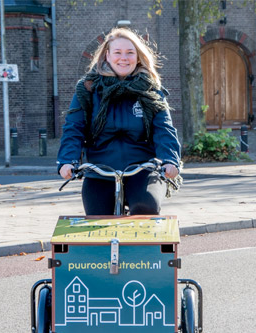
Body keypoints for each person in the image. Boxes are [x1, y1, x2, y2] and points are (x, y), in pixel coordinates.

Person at [57, 27, 181, 215]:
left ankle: (142, 244)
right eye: (118, 52)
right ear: (107, 55)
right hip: (99, 170)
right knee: (97, 217)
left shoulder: (151, 90)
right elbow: (74, 127)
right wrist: (67, 161)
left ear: (138, 57)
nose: (124, 57)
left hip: (142, 169)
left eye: (130, 52)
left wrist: (170, 160)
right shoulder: (88, 89)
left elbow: (164, 128)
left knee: (145, 207)